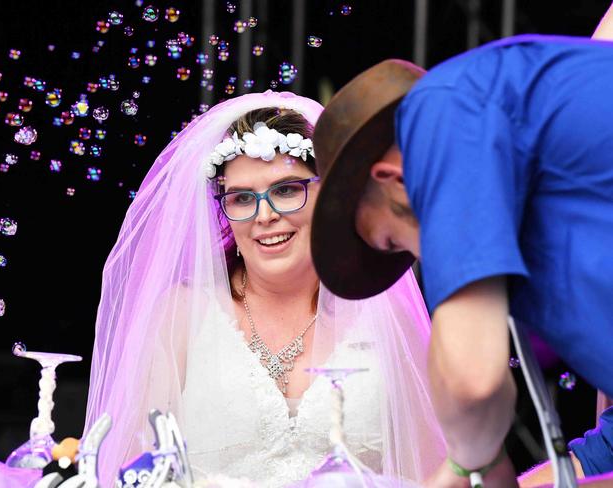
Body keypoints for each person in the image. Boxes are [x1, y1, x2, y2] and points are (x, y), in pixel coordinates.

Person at [83, 91, 446, 487]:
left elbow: (430, 474)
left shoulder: (383, 313)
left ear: (328, 195)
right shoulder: (182, 315)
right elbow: (136, 470)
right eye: (241, 198)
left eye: (287, 190)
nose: (266, 215)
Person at [309, 32, 613, 488]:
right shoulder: (548, 227)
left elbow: (472, 383)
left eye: (394, 242)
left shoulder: (443, 109)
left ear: (391, 178)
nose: (423, 260)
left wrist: (471, 466)